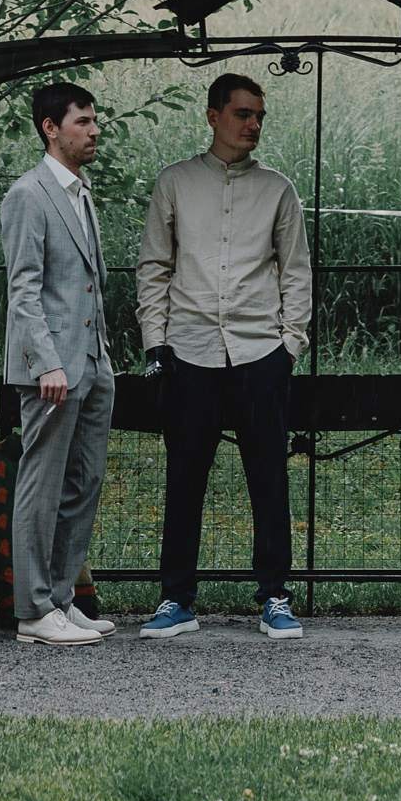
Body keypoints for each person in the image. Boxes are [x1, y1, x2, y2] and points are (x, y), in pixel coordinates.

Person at [135, 72, 313, 640]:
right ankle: (176, 599)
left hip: (261, 352)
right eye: (242, 114)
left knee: (269, 479)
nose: (253, 125)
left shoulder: (278, 189)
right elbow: (154, 266)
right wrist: (156, 341)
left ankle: (275, 597)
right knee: (185, 479)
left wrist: (290, 345)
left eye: (259, 116)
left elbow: (297, 270)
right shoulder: (175, 182)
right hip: (189, 352)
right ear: (213, 116)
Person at [0, 80, 117, 646]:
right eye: (82, 122)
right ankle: (32, 609)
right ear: (51, 128)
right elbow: (23, 290)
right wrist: (46, 363)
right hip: (52, 369)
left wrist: (102, 358)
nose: (94, 131)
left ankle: (62, 600)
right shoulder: (29, 194)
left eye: (94, 121)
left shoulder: (80, 192)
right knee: (41, 486)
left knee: (85, 481)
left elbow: (87, 282)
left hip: (92, 363)